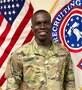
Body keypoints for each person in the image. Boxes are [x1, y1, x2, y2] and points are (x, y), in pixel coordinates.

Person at [5, 10, 76, 90]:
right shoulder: (19, 54)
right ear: (32, 28)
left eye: (46, 23)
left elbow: (70, 83)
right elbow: (12, 86)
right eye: (38, 23)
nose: (42, 27)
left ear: (51, 25)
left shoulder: (64, 52)